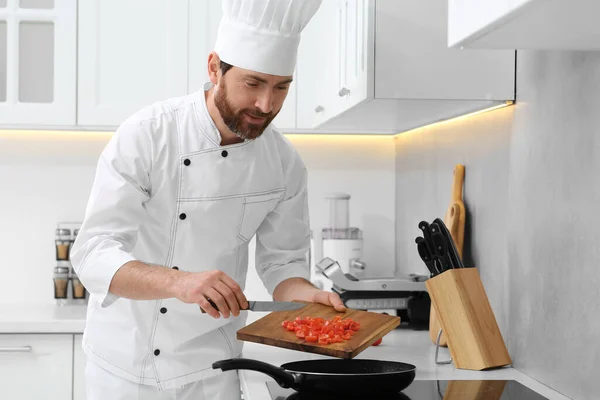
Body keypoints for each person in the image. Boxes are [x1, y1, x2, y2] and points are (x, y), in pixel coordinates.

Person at [70, 0, 345, 399]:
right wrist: (179, 282)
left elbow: (282, 264)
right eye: (253, 83)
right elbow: (93, 253)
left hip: (214, 372)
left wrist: (307, 297)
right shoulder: (149, 135)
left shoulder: (284, 164)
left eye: (281, 87)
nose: (266, 105)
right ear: (215, 68)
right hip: (124, 372)